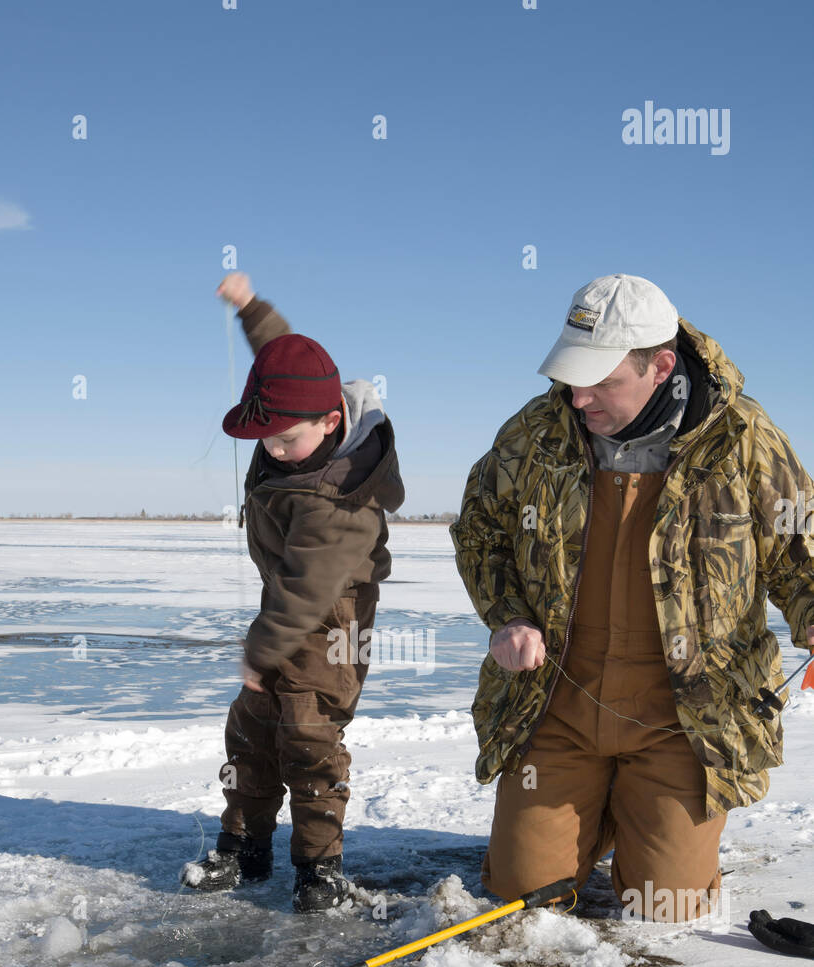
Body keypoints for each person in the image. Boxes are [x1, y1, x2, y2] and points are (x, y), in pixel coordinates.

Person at [451, 273, 814, 922]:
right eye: (572, 376)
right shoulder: (535, 432)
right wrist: (507, 615)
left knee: (665, 906)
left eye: (601, 380)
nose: (579, 396)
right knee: (521, 901)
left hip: (686, 712)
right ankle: (590, 812)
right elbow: (480, 528)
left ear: (661, 366)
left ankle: (639, 815)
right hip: (557, 696)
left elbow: (799, 549)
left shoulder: (743, 438)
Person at [182, 273, 404, 911]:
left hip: (331, 620)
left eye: (286, 438)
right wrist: (252, 309)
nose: (274, 451)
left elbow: (307, 590)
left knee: (307, 737)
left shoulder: (340, 498)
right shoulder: (301, 415)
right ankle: (245, 847)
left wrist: (260, 650)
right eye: (264, 438)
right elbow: (282, 353)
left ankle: (318, 870)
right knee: (250, 726)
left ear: (333, 420)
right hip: (285, 607)